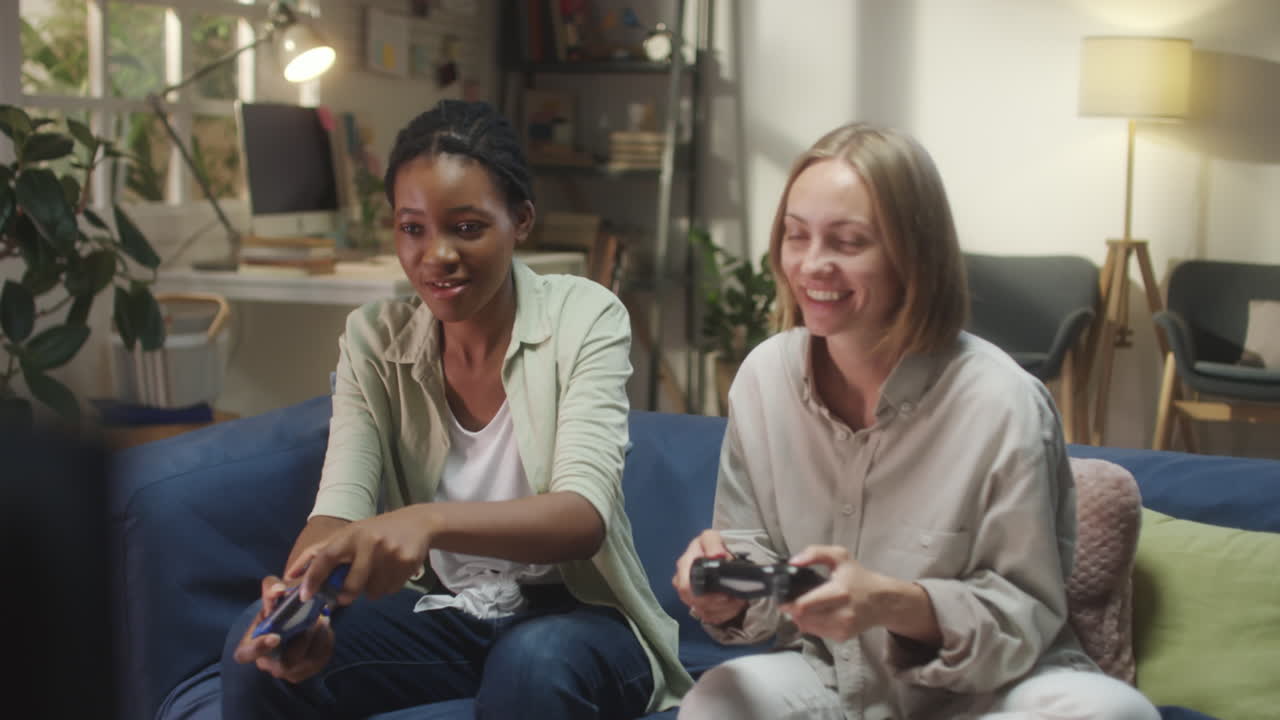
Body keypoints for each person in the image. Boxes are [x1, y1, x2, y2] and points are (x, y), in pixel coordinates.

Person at [671, 123, 1160, 720]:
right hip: (829, 676)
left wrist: (892, 604)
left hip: (991, 692)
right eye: (797, 236)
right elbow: (754, 558)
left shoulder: (1005, 402)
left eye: (849, 242)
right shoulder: (763, 378)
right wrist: (728, 590)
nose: (813, 264)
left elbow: (1021, 618)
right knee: (720, 700)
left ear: (914, 255)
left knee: (1113, 714)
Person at [221, 99, 690, 719]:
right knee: (258, 650)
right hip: (448, 614)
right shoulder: (372, 339)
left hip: (579, 619)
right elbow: (339, 505)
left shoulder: (586, 315)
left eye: (466, 227)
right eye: (412, 228)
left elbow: (583, 515)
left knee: (535, 663)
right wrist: (308, 593)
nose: (435, 255)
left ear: (520, 220)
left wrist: (430, 522)